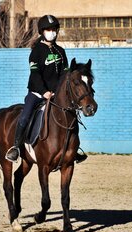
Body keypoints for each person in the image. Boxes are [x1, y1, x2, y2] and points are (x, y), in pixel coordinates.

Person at [5, 14, 87, 163]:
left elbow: (64, 74)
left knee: (72, 115)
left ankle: (74, 149)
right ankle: (16, 147)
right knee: (25, 115)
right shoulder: (36, 52)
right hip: (37, 92)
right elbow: (35, 75)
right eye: (48, 29)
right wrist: (44, 92)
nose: (52, 32)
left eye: (54, 29)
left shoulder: (61, 51)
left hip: (57, 93)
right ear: (42, 32)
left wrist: (59, 92)